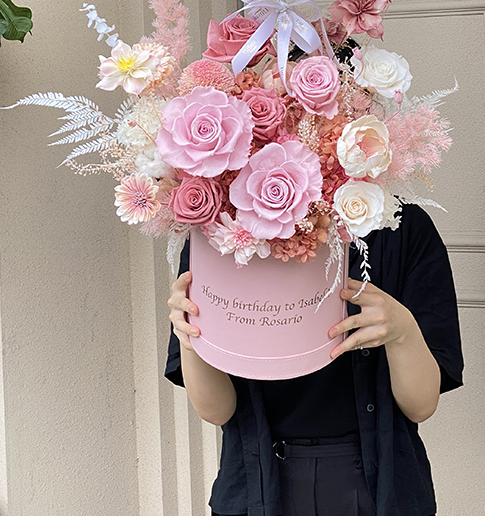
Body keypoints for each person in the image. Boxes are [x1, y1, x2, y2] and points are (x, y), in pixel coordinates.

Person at [166, 202, 463, 516]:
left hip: (382, 491)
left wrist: (403, 332)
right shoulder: (220, 231)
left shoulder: (401, 226)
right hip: (255, 488)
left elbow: (421, 405)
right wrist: (189, 332)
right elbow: (216, 410)